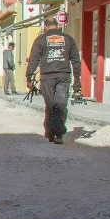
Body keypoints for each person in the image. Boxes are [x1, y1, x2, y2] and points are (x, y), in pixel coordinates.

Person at [26, 15, 81, 144]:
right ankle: (57, 133)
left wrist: (29, 77)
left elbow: (33, 60)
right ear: (58, 25)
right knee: (60, 105)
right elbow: (76, 60)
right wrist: (77, 78)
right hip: (64, 77)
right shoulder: (68, 39)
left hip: (47, 78)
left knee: (51, 105)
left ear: (45, 26)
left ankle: (52, 132)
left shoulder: (40, 40)